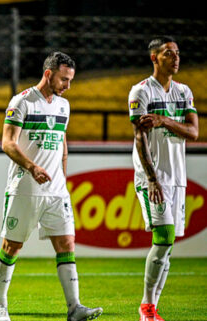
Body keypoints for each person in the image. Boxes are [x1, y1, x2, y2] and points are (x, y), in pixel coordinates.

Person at [0, 52, 103, 321]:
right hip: (25, 187)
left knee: (66, 244)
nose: (68, 85)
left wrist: (61, 178)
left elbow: (62, 145)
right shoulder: (22, 101)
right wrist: (32, 167)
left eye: (71, 80)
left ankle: (74, 307)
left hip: (56, 191)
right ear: (48, 74)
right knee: (11, 247)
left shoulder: (64, 106)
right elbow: (8, 143)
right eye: (64, 79)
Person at [129, 36, 199, 321]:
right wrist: (152, 178)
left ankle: (152, 307)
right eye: (169, 53)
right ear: (154, 58)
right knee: (164, 237)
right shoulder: (141, 91)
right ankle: (146, 306)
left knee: (168, 245)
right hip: (153, 178)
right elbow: (139, 137)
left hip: (177, 177)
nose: (176, 58)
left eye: (177, 53)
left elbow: (194, 132)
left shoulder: (184, 92)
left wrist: (164, 120)